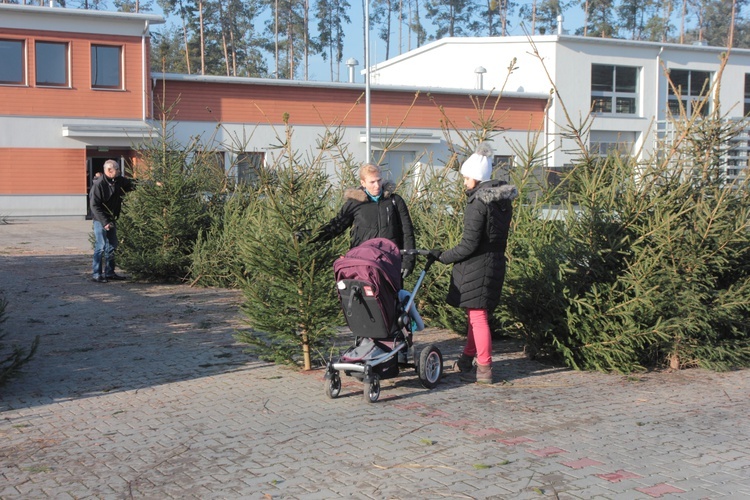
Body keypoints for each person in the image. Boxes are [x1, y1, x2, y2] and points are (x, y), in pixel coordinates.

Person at [433, 143, 517, 384]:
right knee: (477, 315)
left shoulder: (478, 204)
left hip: (477, 266)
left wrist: (442, 256)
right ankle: (467, 359)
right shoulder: (502, 200)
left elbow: (468, 244)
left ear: (477, 178)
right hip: (495, 263)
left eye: (466, 177)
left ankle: (484, 368)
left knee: (478, 318)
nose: (464, 182)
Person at [313, 163, 416, 278]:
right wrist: (309, 236)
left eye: (379, 180)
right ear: (363, 183)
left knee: (393, 295)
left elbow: (407, 232)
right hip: (363, 263)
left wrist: (408, 261)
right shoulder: (354, 203)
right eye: (372, 182)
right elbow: (336, 226)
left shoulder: (395, 201)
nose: (377, 185)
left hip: (390, 262)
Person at [89, 159, 135, 283]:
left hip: (112, 218)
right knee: (101, 246)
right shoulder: (99, 185)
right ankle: (96, 274)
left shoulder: (119, 180)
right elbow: (94, 206)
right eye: (117, 169)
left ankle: (110, 272)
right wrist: (105, 222)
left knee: (112, 246)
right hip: (100, 220)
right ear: (109, 170)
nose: (119, 171)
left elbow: (133, 184)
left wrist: (153, 184)